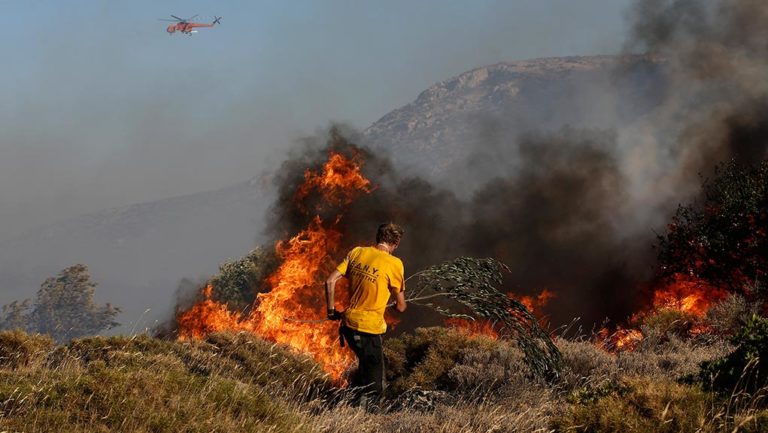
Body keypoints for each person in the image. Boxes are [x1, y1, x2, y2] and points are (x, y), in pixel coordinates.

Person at [325, 222, 407, 405]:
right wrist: (393, 305)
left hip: (348, 326)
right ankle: (367, 418)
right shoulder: (395, 264)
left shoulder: (357, 252)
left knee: (365, 369)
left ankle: (348, 405)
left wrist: (331, 311)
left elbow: (330, 281)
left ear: (378, 237)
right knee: (376, 385)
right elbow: (401, 307)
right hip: (368, 329)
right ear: (396, 243)